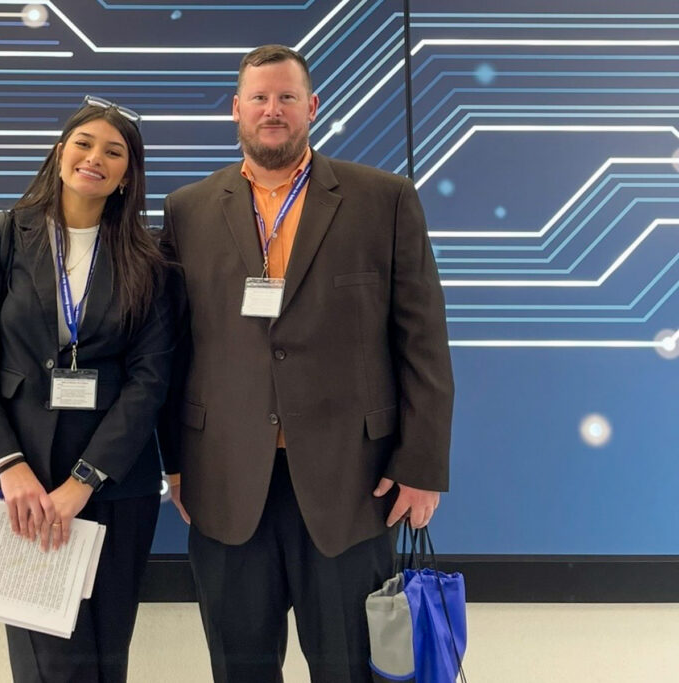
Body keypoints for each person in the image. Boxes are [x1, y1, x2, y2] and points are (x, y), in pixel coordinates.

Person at [159, 45, 454, 683]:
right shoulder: (186, 211)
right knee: (240, 667)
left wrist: (423, 466)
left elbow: (423, 340)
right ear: (236, 110)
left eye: (287, 97)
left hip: (353, 480)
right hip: (226, 479)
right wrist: (176, 461)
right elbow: (173, 349)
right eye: (259, 98)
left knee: (348, 666)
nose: (273, 110)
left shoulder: (384, 199)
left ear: (312, 107)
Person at [0, 97, 173, 682]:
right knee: (48, 661)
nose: (95, 158)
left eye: (113, 151)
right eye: (84, 143)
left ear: (128, 175)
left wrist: (85, 482)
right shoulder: (3, 236)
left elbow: (151, 380)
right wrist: (10, 466)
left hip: (115, 482)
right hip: (25, 481)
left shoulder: (148, 259)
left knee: (106, 656)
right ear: (60, 152)